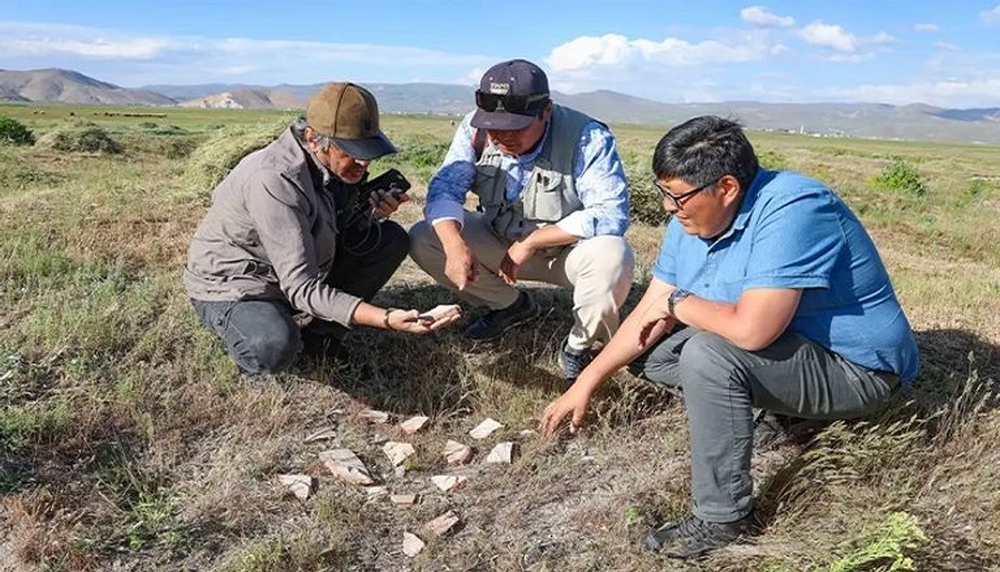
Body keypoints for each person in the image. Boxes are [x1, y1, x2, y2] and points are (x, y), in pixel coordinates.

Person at [539, 116, 920, 558]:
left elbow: (751, 331)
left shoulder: (796, 209)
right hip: (791, 350)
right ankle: (785, 414)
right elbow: (649, 311)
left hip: (857, 370)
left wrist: (679, 305)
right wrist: (587, 381)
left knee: (707, 354)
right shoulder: (689, 221)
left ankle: (722, 520)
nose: (667, 207)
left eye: (677, 196)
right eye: (664, 193)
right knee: (653, 354)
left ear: (726, 187)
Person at [184, 82, 459, 379]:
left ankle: (321, 337)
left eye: (368, 151)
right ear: (314, 138)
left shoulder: (332, 164)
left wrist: (369, 215)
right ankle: (255, 363)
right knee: (272, 345)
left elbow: (329, 227)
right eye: (352, 151)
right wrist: (386, 318)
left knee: (389, 239)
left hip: (292, 270)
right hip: (239, 285)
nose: (363, 162)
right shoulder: (274, 180)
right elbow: (301, 285)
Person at [409, 59, 634, 385]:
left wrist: (532, 241)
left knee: (613, 255)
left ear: (546, 111)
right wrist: (454, 245)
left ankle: (579, 346)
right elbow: (446, 188)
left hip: (567, 252)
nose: (501, 137)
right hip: (499, 242)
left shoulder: (586, 137)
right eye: (494, 127)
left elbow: (611, 213)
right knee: (424, 237)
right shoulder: (475, 130)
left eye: (515, 127)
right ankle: (510, 306)